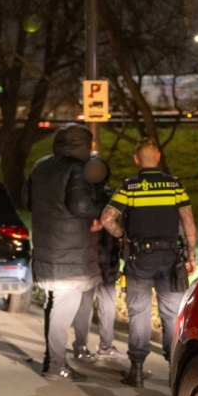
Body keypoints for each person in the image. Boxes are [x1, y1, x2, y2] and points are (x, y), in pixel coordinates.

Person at [100, 138, 197, 388]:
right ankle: (175, 371)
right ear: (158, 155)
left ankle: (138, 370)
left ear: (136, 160)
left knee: (139, 313)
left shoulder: (129, 187)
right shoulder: (174, 185)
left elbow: (107, 219)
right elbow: (187, 219)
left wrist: (123, 235)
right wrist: (191, 254)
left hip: (138, 260)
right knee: (171, 314)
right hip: (170, 260)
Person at [21, 123, 101, 382]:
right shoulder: (77, 168)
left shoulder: (41, 166)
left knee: (53, 306)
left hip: (48, 250)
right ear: (81, 145)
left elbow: (26, 200)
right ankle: (56, 367)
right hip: (70, 256)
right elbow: (79, 204)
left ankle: (52, 360)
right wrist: (98, 209)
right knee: (62, 311)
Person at [71, 156, 124, 364]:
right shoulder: (113, 197)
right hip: (108, 256)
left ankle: (81, 346)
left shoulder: (78, 198)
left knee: (84, 304)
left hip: (86, 258)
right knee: (107, 303)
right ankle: (105, 345)